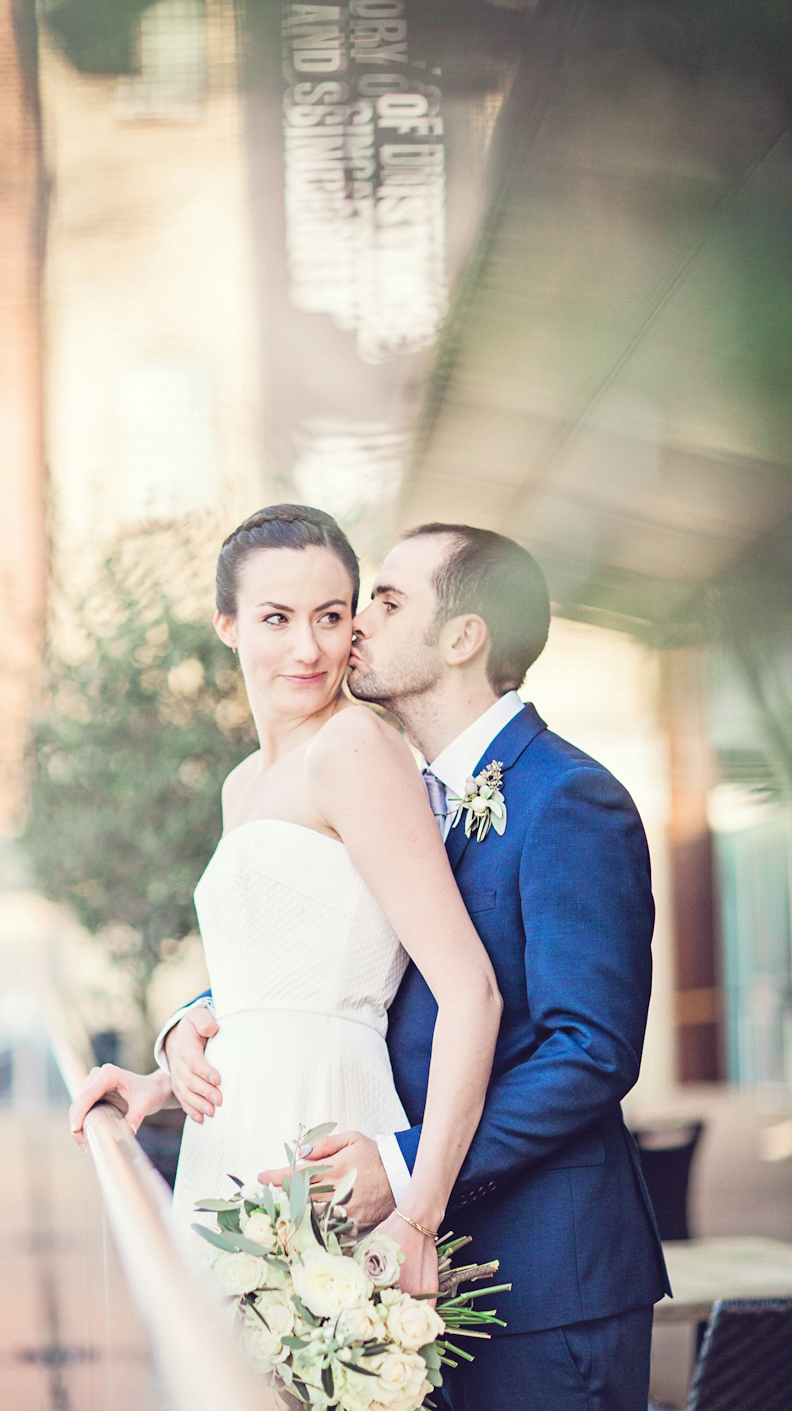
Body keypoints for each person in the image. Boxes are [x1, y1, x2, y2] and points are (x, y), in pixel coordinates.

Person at [152, 523, 671, 1411]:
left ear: (464, 638)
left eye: (377, 604)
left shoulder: (568, 798)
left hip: (549, 1270)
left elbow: (591, 1051)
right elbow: (345, 952)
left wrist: (403, 1169)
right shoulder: (402, 783)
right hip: (401, 1254)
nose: (345, 633)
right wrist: (188, 1027)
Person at [70, 504, 503, 1299]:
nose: (308, 648)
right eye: (277, 618)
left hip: (324, 1123)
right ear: (228, 625)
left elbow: (468, 989)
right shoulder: (242, 783)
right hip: (230, 1131)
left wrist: (418, 1209)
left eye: (331, 617)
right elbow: (270, 985)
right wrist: (163, 1077)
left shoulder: (356, 749)